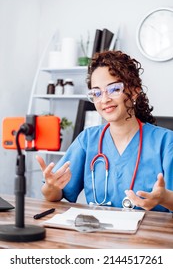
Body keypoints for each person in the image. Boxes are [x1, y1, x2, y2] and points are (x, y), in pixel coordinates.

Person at [36, 50, 173, 212]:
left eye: (114, 89)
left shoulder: (165, 141)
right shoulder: (87, 139)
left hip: (149, 235)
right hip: (97, 233)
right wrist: (51, 186)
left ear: (135, 91)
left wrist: (165, 198)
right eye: (96, 93)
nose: (104, 99)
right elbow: (54, 194)